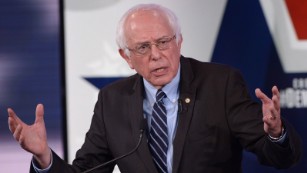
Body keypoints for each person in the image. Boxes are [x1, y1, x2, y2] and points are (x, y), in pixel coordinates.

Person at [8, 3, 301, 173]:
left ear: (179, 41)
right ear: (127, 57)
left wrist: (276, 134)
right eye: (143, 47)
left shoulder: (220, 84)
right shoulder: (113, 101)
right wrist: (44, 156)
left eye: (163, 42)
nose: (156, 55)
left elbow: (281, 158)